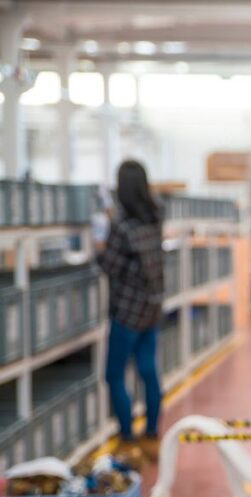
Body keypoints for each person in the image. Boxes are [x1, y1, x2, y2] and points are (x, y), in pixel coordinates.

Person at [98, 160, 165, 460]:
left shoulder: (121, 226)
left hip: (126, 312)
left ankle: (127, 436)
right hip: (151, 308)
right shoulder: (156, 215)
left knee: (114, 374)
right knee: (148, 371)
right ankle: (151, 432)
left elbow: (109, 266)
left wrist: (99, 245)